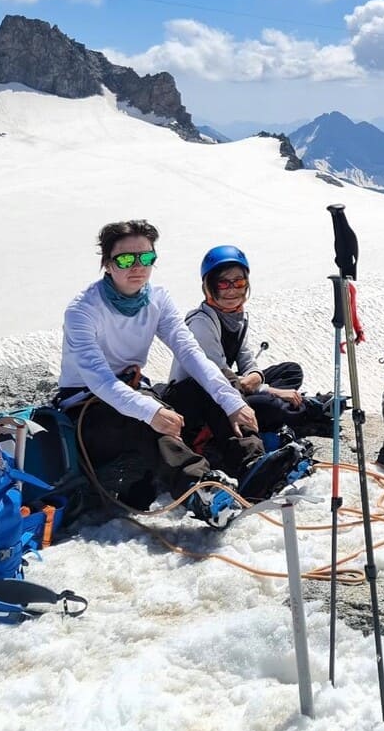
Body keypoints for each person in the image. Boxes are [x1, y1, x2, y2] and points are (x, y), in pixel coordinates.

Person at [55, 220, 252, 526]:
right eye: (125, 259)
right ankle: (201, 489)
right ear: (107, 264)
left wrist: (231, 401)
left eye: (146, 258)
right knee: (145, 422)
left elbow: (190, 353)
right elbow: (100, 381)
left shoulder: (158, 299)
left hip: (134, 391)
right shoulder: (83, 310)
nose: (137, 266)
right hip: (87, 408)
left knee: (210, 385)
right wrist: (151, 410)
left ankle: (251, 462)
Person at [166, 246, 334, 449]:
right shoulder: (202, 323)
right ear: (209, 286)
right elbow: (215, 376)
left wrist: (256, 377)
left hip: (228, 386)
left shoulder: (238, 317)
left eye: (239, 282)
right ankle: (308, 410)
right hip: (202, 400)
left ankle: (291, 407)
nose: (232, 289)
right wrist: (270, 390)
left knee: (291, 371)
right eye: (223, 283)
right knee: (271, 404)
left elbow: (246, 359)